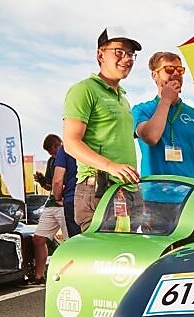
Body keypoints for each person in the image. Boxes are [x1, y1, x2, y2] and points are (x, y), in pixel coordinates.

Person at [62, 28, 142, 231]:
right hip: (98, 190)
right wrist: (111, 166)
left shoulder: (123, 99)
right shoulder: (84, 90)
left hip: (128, 191)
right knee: (101, 259)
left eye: (131, 54)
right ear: (100, 54)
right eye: (119, 52)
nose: (127, 59)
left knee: (128, 258)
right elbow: (71, 143)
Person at [132, 51, 194, 178]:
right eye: (169, 69)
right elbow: (151, 137)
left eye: (180, 70)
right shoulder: (141, 110)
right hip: (153, 192)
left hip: (189, 193)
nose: (176, 74)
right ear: (154, 75)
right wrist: (166, 100)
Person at [53, 145, 80, 236]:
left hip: (72, 198)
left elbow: (57, 180)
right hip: (101, 197)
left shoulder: (66, 148)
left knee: (77, 240)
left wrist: (58, 198)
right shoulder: (97, 143)